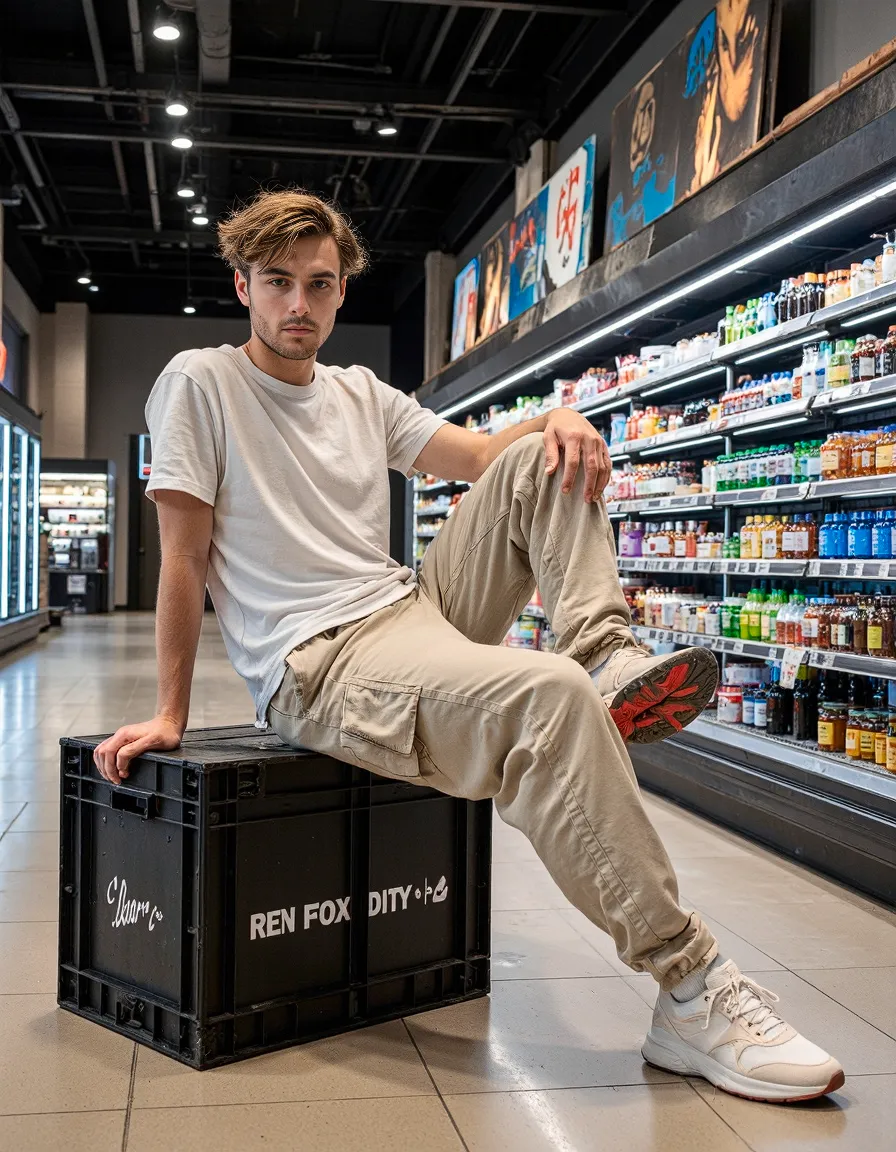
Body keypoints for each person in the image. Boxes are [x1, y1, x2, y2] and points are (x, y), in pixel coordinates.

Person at [94, 188, 843, 1103]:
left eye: (320, 285)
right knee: (550, 698)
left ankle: (607, 652)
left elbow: (487, 458)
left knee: (543, 458)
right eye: (279, 282)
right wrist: (170, 710)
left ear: (342, 291)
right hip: (322, 662)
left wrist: (557, 419)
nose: (300, 306)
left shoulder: (358, 392)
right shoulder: (199, 382)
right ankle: (689, 988)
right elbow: (183, 559)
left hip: (411, 605)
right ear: (243, 283)